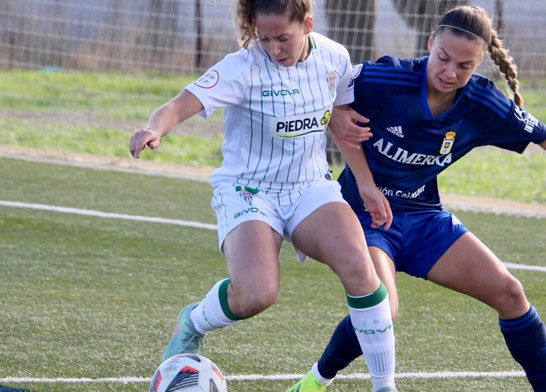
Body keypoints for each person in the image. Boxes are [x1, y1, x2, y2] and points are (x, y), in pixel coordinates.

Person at [287, 5, 546, 392]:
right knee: (383, 308)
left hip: (424, 219)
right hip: (365, 219)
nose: (450, 73)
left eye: (464, 66)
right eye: (443, 58)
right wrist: (337, 121)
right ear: (430, 43)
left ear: (480, 63)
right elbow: (319, 90)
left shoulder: (482, 103)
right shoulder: (386, 78)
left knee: (511, 293)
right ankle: (317, 381)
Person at [128, 1, 398, 391]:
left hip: (309, 187)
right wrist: (154, 129)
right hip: (248, 190)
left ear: (308, 24)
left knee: (361, 269)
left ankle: (385, 386)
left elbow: (341, 124)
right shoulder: (241, 67)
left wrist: (367, 185)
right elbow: (178, 105)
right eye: (264, 37)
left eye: (283, 38)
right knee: (256, 294)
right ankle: (194, 322)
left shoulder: (335, 57)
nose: (273, 48)